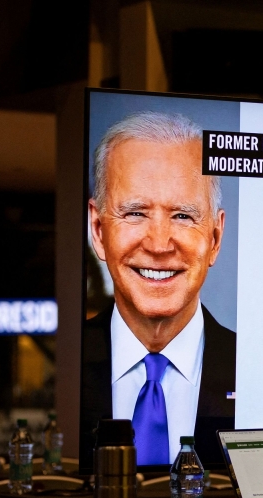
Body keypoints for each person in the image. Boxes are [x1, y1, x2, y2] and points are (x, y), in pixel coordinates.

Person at [80, 111, 235, 466]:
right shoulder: (66, 367)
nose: (159, 244)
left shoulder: (257, 371)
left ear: (214, 238)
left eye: (182, 215)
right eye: (135, 213)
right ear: (99, 230)